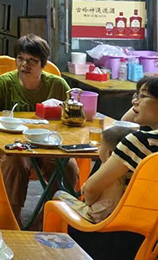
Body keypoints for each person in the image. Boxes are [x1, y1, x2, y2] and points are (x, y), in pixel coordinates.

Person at [0, 34, 78, 222]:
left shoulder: (57, 85)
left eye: (32, 60)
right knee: (15, 163)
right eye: (20, 58)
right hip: (15, 145)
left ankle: (44, 220)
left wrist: (61, 112)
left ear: (43, 64)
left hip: (49, 145)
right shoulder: (5, 82)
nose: (25, 65)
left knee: (68, 167)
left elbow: (75, 116)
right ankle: (12, 220)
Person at [67, 76, 158, 258]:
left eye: (142, 96)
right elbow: (124, 123)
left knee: (61, 203)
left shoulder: (139, 143)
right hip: (152, 243)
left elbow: (91, 189)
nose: (135, 102)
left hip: (117, 238)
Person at [52, 124, 133, 222]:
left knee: (59, 194)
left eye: (101, 146)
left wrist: (86, 193)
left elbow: (90, 195)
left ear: (109, 153)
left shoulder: (108, 170)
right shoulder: (135, 170)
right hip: (123, 219)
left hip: (97, 218)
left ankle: (53, 229)